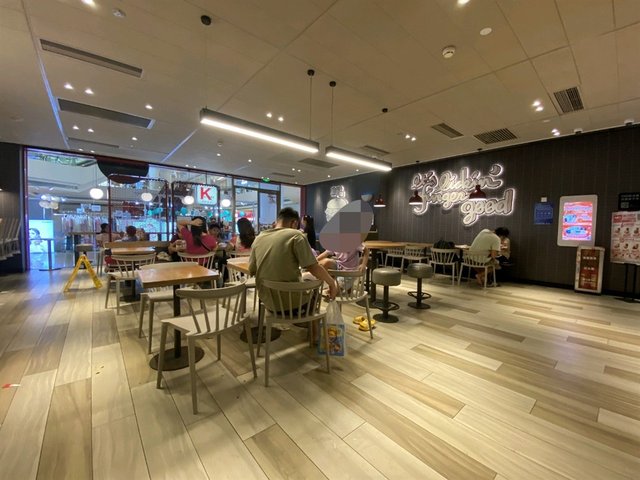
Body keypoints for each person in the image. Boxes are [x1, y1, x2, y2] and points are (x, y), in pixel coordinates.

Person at [249, 207, 337, 311]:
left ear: (277, 221)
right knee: (315, 293)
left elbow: (252, 270)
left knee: (304, 279)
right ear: (294, 223)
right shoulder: (296, 235)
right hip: (293, 305)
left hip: (268, 303)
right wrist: (331, 283)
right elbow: (313, 267)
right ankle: (312, 321)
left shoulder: (259, 238)